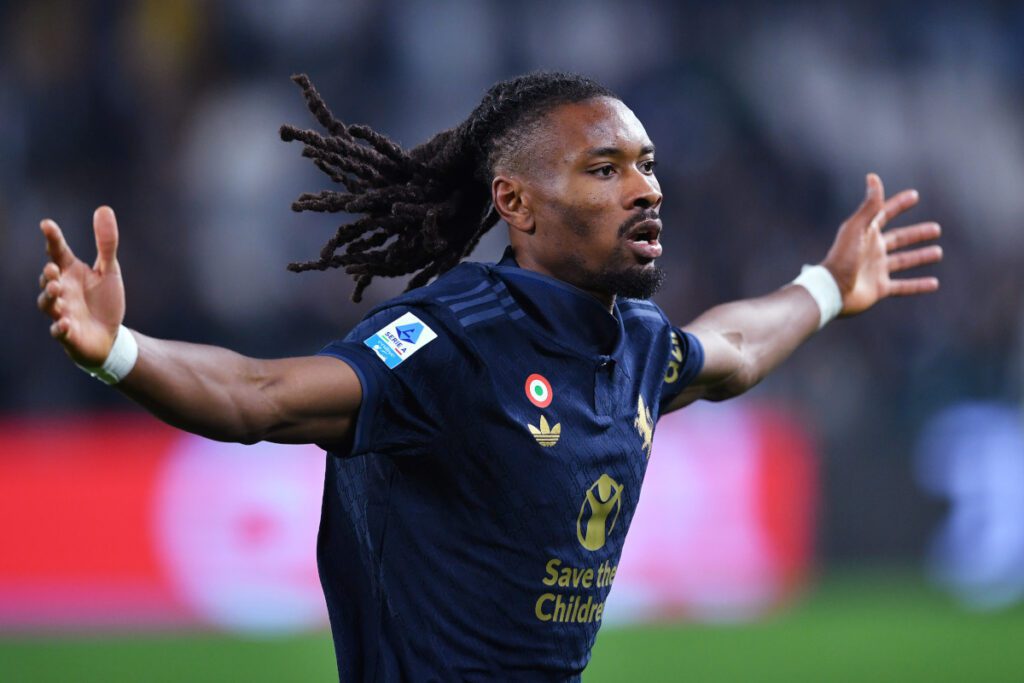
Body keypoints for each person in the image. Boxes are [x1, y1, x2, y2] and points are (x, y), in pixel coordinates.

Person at [36, 72, 942, 681]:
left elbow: (733, 348)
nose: (647, 188)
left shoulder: (634, 342)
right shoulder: (448, 342)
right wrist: (120, 349)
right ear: (516, 204)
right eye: (606, 168)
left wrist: (827, 286)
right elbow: (259, 398)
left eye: (648, 165)